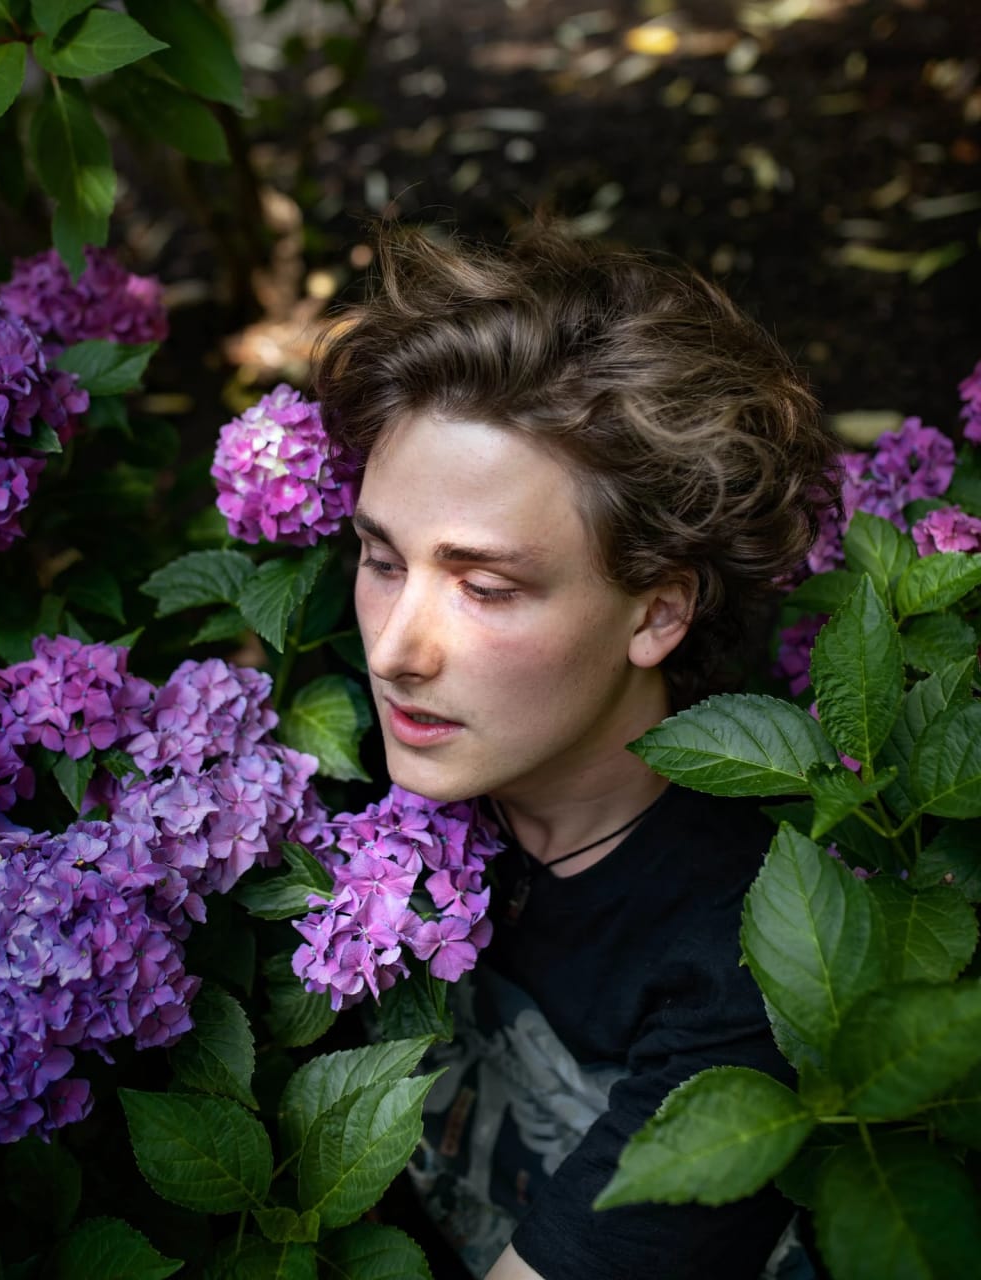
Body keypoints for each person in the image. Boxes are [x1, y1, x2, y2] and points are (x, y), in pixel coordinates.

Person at [313, 226, 835, 1280]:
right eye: (379, 558)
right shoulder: (372, 751)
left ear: (656, 611)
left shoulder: (745, 961)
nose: (396, 650)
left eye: (486, 586)